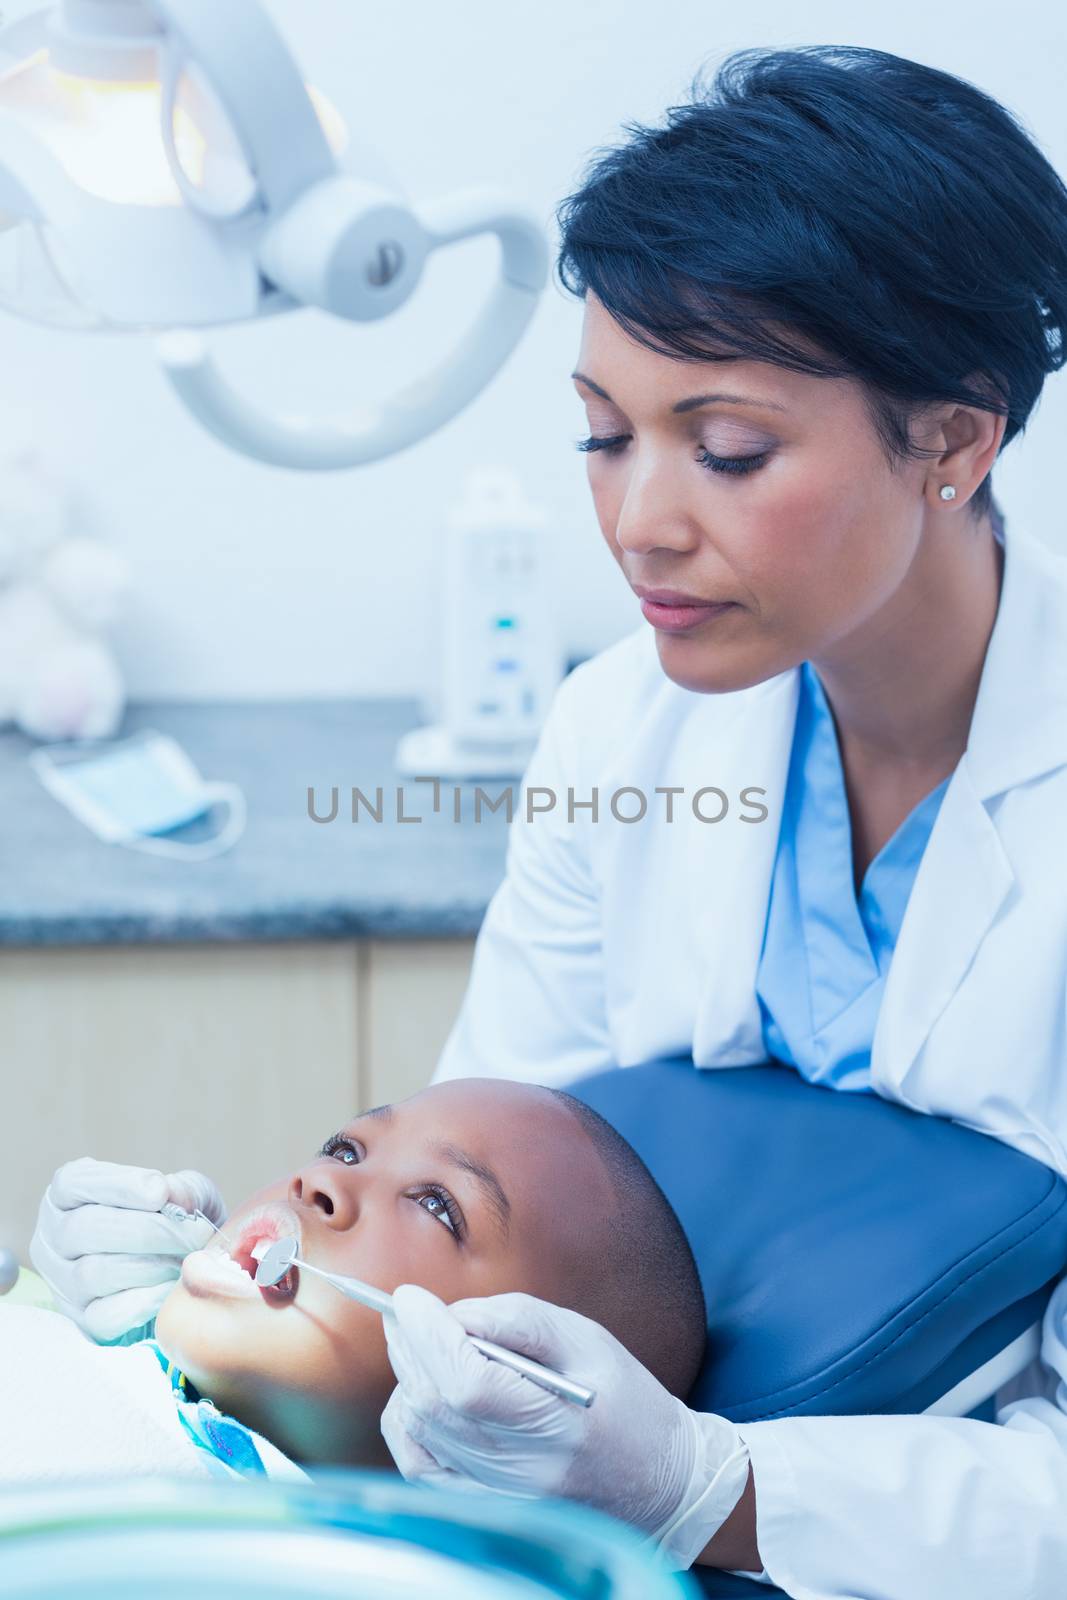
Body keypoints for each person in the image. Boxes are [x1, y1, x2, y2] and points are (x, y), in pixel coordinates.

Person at [28, 41, 1067, 1598]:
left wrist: (709, 1487)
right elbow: (467, 1198)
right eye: (602, 432)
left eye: (725, 449)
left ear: (949, 441)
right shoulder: (619, 731)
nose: (637, 517)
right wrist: (233, 1286)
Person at [16, 1079, 722, 1512]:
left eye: (438, 1205)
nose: (317, 1183)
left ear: (519, 1401)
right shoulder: (89, 1332)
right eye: (347, 1149)